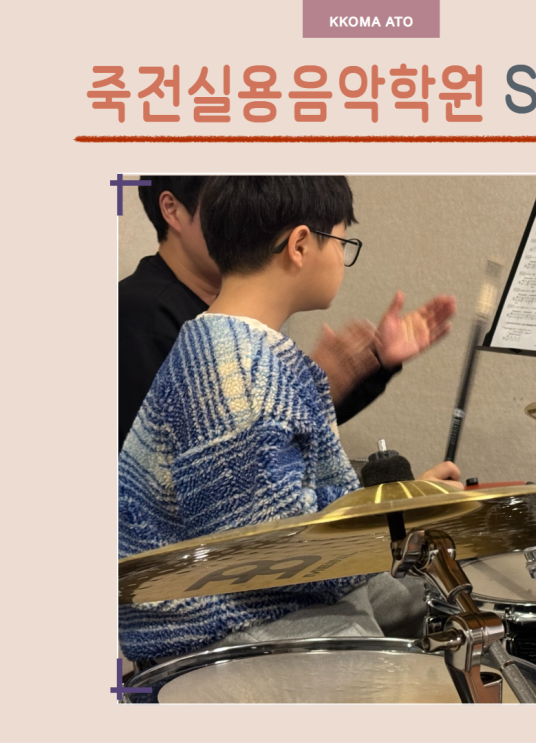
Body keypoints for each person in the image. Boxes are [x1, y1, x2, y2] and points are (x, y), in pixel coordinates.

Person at [119, 176, 462, 663]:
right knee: (431, 652)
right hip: (226, 629)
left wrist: (404, 510)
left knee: (437, 594)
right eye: (340, 243)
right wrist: (402, 519)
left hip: (261, 597)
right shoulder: (232, 370)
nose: (341, 258)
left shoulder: (244, 348)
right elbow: (276, 557)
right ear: (300, 245)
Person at [119, 176, 456, 450]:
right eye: (225, 203)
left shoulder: (238, 323)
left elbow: (280, 444)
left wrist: (372, 361)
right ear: (173, 210)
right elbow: (212, 471)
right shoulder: (140, 315)